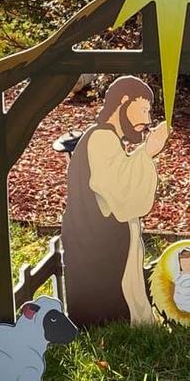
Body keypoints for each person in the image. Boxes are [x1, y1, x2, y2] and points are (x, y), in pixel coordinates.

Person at [61, 76, 168, 327]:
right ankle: (112, 326)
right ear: (123, 102)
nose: (148, 120)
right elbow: (118, 192)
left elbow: (119, 174)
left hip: (103, 243)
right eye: (143, 109)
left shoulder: (108, 139)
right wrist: (148, 150)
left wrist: (145, 152)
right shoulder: (100, 138)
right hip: (96, 247)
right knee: (110, 308)